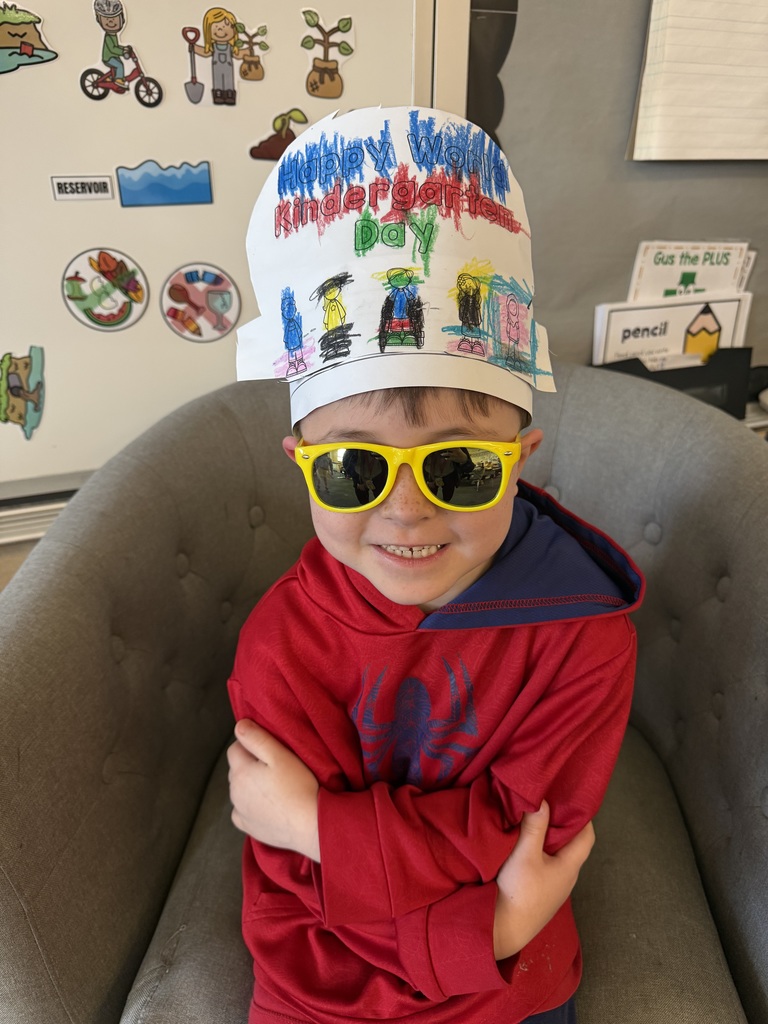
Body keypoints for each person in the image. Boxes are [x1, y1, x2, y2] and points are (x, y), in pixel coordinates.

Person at [228, 106, 644, 1024]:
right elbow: (299, 893)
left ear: (519, 458)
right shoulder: (281, 644)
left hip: (510, 980)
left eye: (459, 468)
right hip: (329, 980)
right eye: (353, 468)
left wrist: (315, 823)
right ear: (302, 463)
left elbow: (534, 832)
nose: (405, 510)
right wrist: (485, 922)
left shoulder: (586, 641)